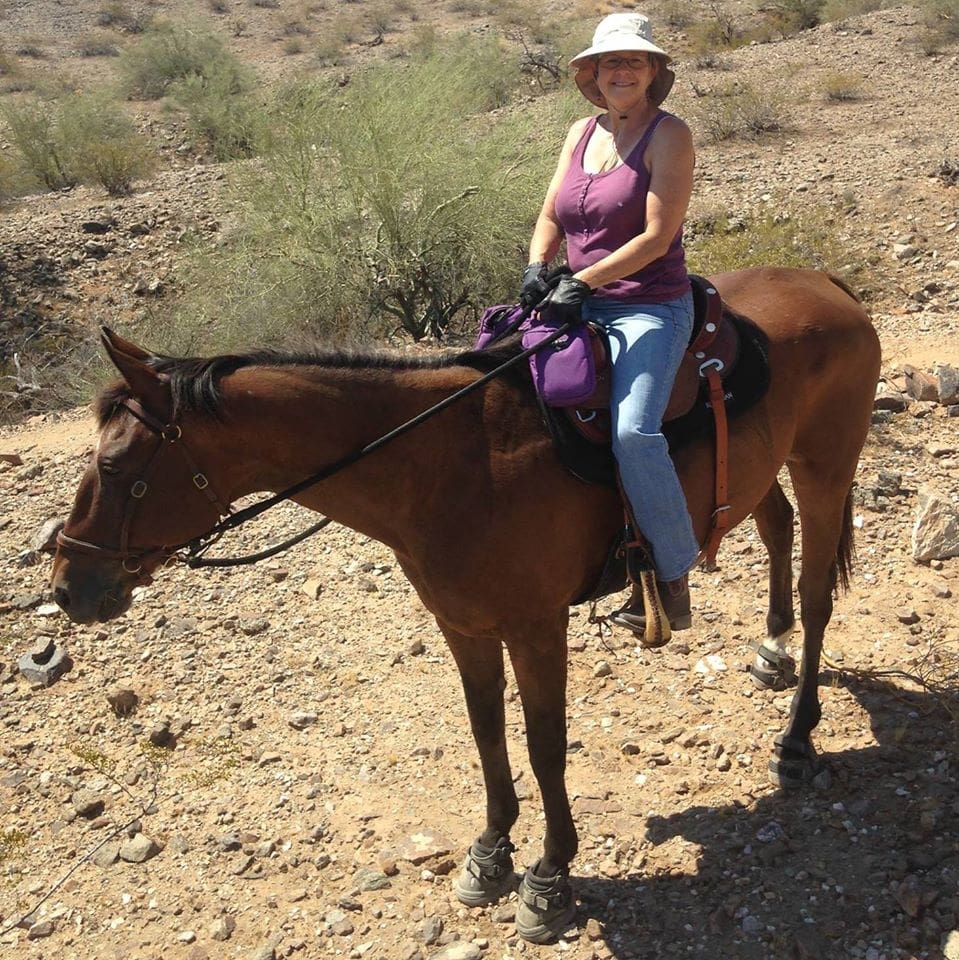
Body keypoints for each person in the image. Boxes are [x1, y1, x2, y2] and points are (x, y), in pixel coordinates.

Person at [521, 12, 699, 631]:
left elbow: (656, 237)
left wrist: (581, 282)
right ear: (592, 74)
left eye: (634, 61)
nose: (621, 71)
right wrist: (537, 265)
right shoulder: (580, 131)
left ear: (653, 72)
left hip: (647, 305)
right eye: (609, 62)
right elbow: (552, 210)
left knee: (632, 433)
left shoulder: (669, 136)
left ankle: (673, 574)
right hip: (575, 298)